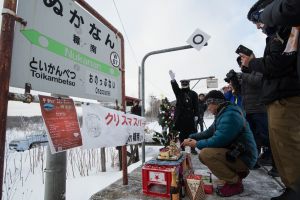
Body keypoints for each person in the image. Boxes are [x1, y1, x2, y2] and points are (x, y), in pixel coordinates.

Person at [239, 1, 300, 199]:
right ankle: (290, 186)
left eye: (258, 20)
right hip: (276, 97)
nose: (259, 26)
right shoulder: (277, 34)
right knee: (280, 146)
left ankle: (296, 189)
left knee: (288, 145)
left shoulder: (288, 29)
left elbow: (279, 63)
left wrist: (252, 63)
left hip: (286, 97)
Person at [182, 90, 257, 197]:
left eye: (209, 104)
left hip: (244, 158)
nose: (208, 108)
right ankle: (235, 174)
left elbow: (219, 140)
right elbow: (209, 132)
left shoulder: (230, 115)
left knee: (206, 154)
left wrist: (196, 144)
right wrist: (192, 136)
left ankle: (235, 182)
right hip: (236, 154)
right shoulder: (223, 114)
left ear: (216, 103)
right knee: (205, 154)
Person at [237, 56, 277, 175]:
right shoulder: (245, 75)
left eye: (243, 62)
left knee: (267, 136)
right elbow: (241, 93)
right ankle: (255, 161)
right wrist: (235, 80)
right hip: (248, 110)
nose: (242, 66)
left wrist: (242, 76)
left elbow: (258, 82)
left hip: (260, 109)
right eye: (240, 64)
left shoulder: (257, 70)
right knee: (253, 138)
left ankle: (275, 163)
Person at [169, 70, 199, 154]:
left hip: (190, 116)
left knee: (192, 133)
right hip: (181, 117)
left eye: (185, 84)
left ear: (188, 84)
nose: (184, 85)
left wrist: (197, 115)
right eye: (183, 84)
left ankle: (192, 148)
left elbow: (196, 105)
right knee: (182, 133)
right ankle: (182, 148)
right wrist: (173, 80)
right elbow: (175, 87)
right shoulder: (179, 92)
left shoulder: (194, 94)